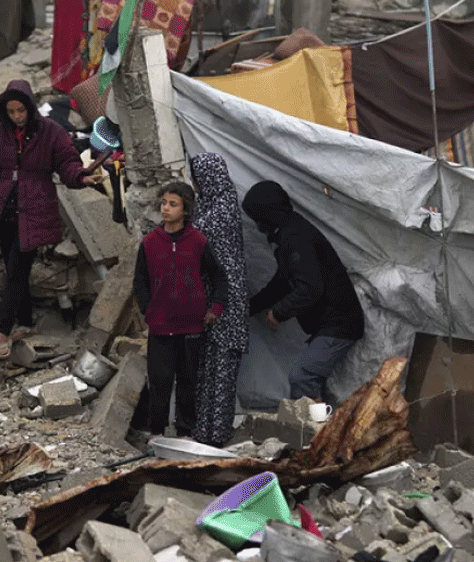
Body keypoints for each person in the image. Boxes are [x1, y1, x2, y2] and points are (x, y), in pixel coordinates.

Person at [0, 79, 91, 359]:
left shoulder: (51, 132)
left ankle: (3, 331)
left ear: (30, 107)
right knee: (12, 267)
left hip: (35, 208)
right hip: (5, 208)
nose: (17, 116)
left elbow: (67, 161)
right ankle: (26, 322)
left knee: (17, 269)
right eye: (11, 111)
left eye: (21, 110)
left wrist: (79, 176)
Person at [241, 180, 364, 404]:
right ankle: (322, 433)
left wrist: (279, 313)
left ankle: (311, 435)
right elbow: (282, 283)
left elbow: (310, 288)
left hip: (338, 323)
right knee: (313, 382)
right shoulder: (290, 233)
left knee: (303, 377)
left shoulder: (295, 238)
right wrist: (248, 308)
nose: (257, 224)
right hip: (331, 323)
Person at [133, 182, 229, 438]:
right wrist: (148, 310)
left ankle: (185, 433)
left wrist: (215, 309)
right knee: (160, 383)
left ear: (185, 210)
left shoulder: (197, 241)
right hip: (161, 327)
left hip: (191, 327)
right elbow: (140, 282)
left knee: (188, 383)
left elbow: (219, 278)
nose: (166, 208)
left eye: (173, 204)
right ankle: (157, 434)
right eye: (164, 203)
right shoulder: (150, 243)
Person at [189, 153, 249, 447]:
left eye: (197, 180)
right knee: (209, 367)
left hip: (228, 300)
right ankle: (206, 433)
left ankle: (216, 435)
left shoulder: (221, 211)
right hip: (214, 296)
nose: (194, 185)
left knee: (221, 368)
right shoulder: (211, 204)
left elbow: (192, 239)